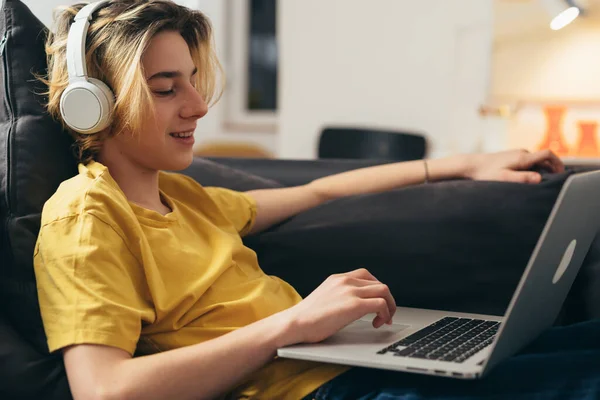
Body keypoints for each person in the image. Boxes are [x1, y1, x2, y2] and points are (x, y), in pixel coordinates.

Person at [34, 1, 600, 399]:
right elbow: (104, 390)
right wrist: (293, 324)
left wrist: (462, 165)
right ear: (95, 104)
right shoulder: (86, 218)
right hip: (325, 392)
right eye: (165, 89)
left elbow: (319, 190)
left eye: (191, 80)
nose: (197, 106)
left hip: (345, 367)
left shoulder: (182, 197)